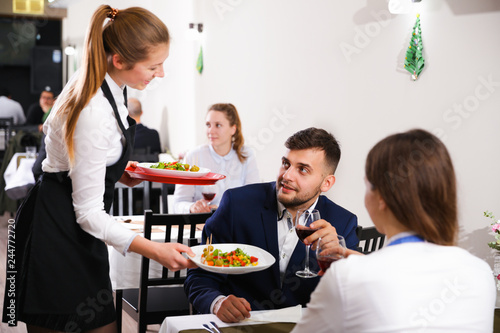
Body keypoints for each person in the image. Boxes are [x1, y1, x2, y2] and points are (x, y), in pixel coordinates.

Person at [1, 5, 196, 333]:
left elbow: (71, 148)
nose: (160, 74)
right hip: (59, 228)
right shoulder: (92, 109)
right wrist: (155, 250)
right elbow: (88, 213)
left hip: (74, 225)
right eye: (154, 66)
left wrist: (118, 171)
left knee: (100, 320)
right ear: (119, 60)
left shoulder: (112, 84)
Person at [291, 129, 496, 333]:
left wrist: (350, 271)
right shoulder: (480, 273)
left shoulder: (347, 277)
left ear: (381, 197)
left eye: (368, 186)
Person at [184, 127, 359, 323]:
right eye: (286, 164)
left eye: (302, 169)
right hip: (239, 326)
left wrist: (337, 259)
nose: (287, 176)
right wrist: (217, 302)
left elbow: (352, 297)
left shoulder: (343, 223)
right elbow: (198, 276)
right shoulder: (236, 204)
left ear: (326, 183)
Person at [172, 103, 260, 213]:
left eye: (218, 125)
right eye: (208, 125)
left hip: (235, 225)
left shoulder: (246, 155)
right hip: (202, 225)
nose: (211, 131)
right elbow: (178, 204)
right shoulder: (193, 156)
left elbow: (255, 199)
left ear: (233, 129)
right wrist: (192, 208)